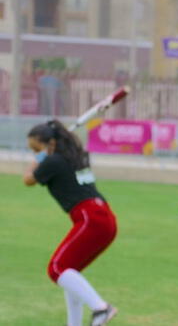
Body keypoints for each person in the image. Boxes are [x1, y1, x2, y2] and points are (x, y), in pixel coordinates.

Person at [23, 120, 117, 326]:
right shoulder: (77, 156)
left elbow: (28, 180)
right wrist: (43, 153)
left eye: (36, 149)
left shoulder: (53, 161)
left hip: (89, 217)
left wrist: (37, 160)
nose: (35, 153)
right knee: (70, 271)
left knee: (56, 268)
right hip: (105, 217)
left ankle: (101, 308)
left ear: (52, 143)